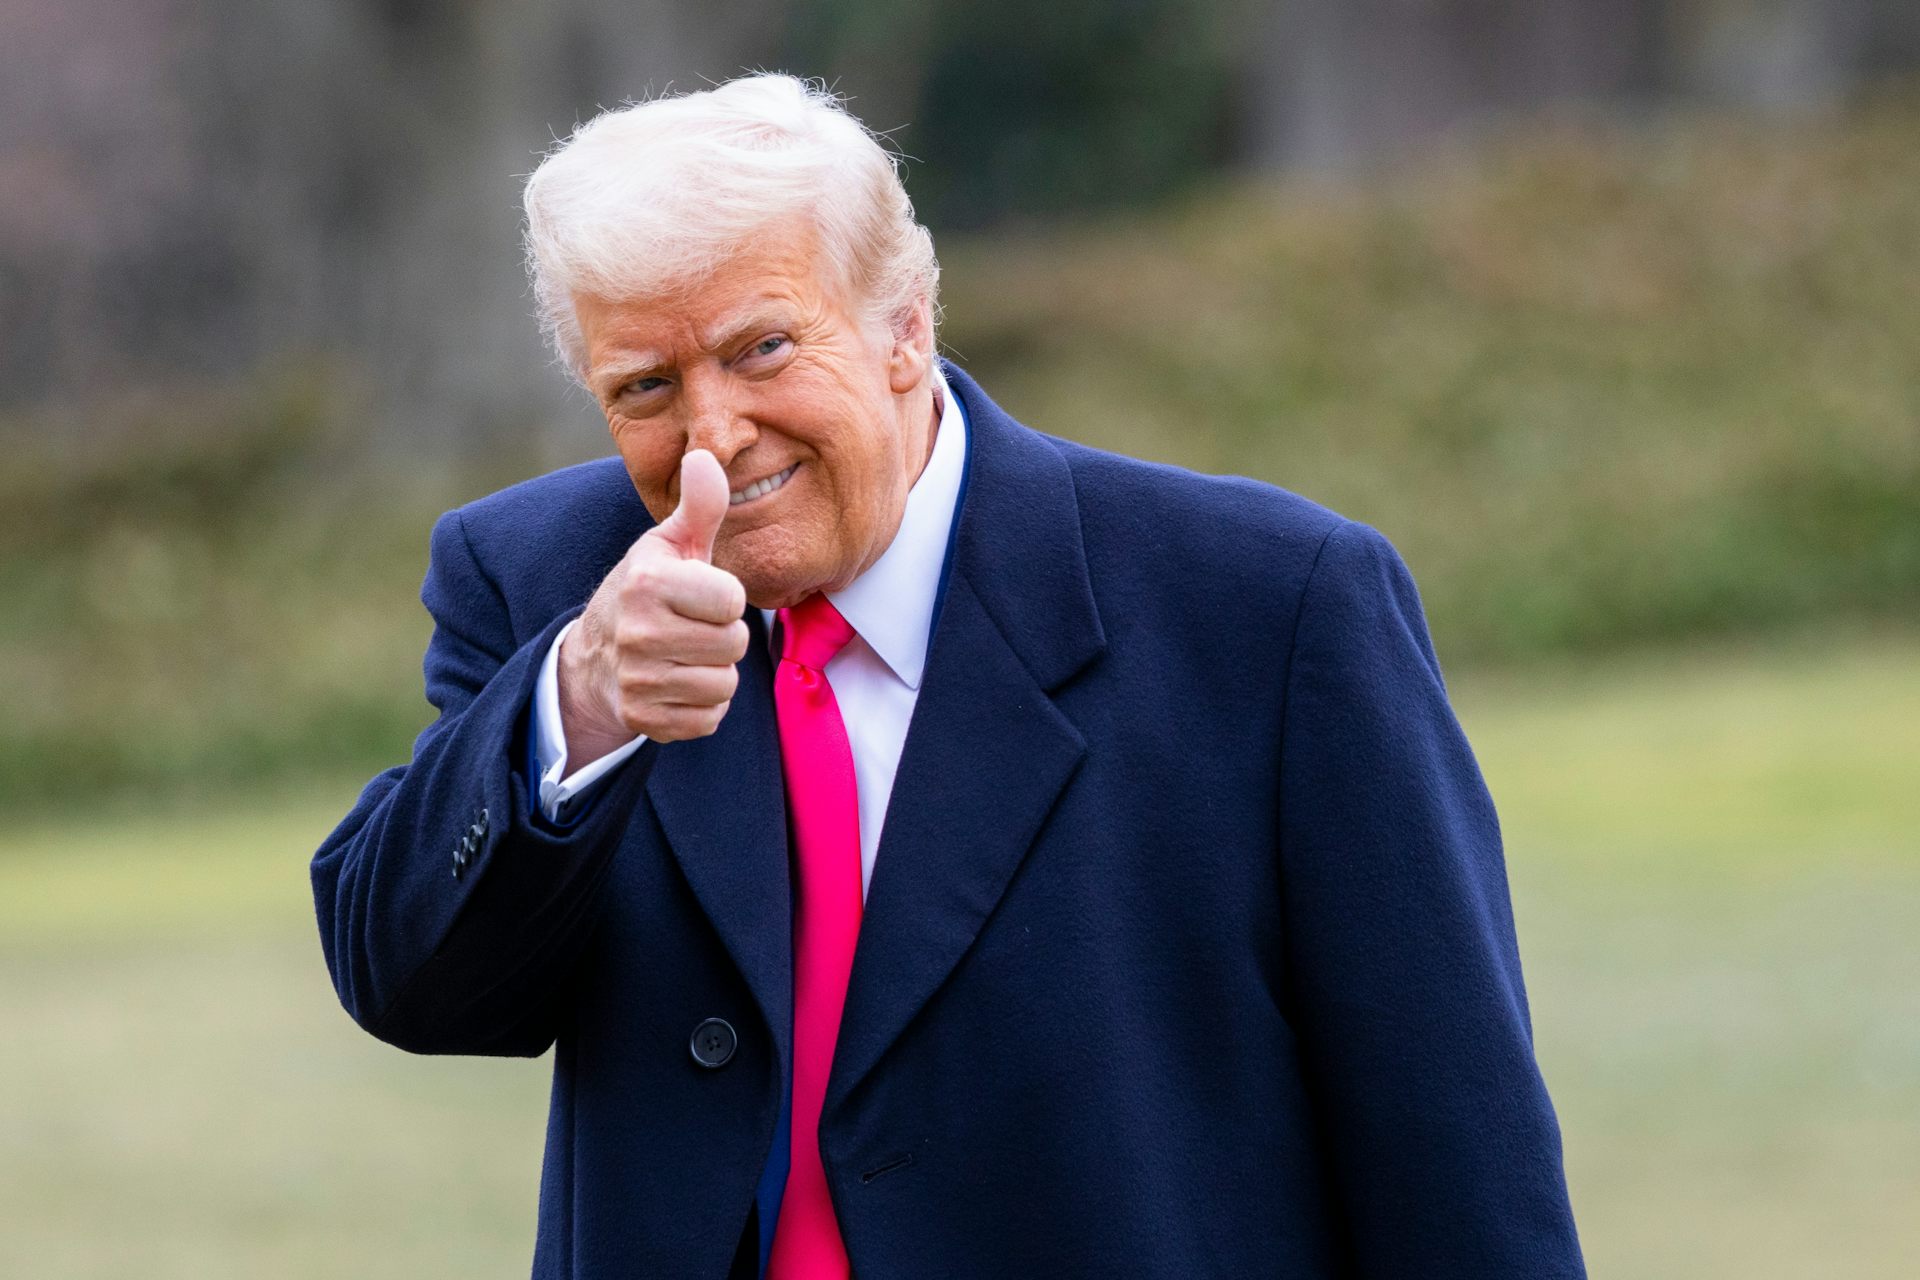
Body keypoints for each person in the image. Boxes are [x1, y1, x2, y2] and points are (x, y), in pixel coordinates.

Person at [311, 73, 1586, 1279]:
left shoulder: (1272, 605)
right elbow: (412, 983)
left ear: (904, 325)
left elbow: (1455, 1148)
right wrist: (580, 698)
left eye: (762, 349)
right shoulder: (538, 577)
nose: (713, 432)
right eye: (645, 384)